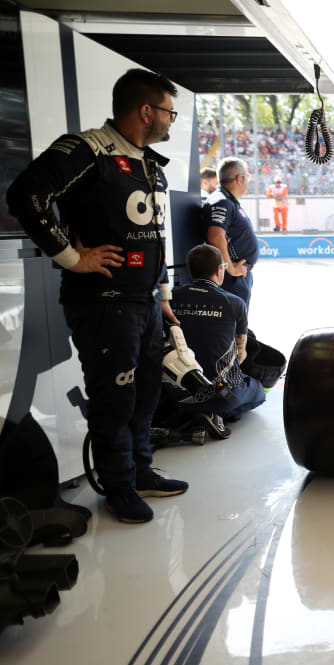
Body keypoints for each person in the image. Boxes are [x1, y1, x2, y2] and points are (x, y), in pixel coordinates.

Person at [6, 68, 188, 524]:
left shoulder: (146, 161)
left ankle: (140, 470)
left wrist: (163, 294)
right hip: (103, 303)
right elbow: (26, 195)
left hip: (144, 302)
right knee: (114, 400)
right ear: (146, 111)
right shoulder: (89, 149)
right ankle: (118, 485)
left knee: (147, 393)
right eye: (169, 110)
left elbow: (154, 237)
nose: (172, 120)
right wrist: (70, 257)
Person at [164, 244, 265, 425]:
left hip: (176, 394)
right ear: (220, 270)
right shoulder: (235, 303)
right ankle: (215, 413)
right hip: (221, 397)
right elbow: (240, 354)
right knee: (257, 389)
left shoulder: (169, 299)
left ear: (190, 271)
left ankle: (195, 414)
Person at [203, 157, 259, 312]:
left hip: (238, 275)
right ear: (239, 179)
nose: (249, 180)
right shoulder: (222, 201)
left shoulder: (227, 201)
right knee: (234, 328)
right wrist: (230, 267)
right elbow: (215, 236)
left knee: (238, 325)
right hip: (231, 278)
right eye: (248, 176)